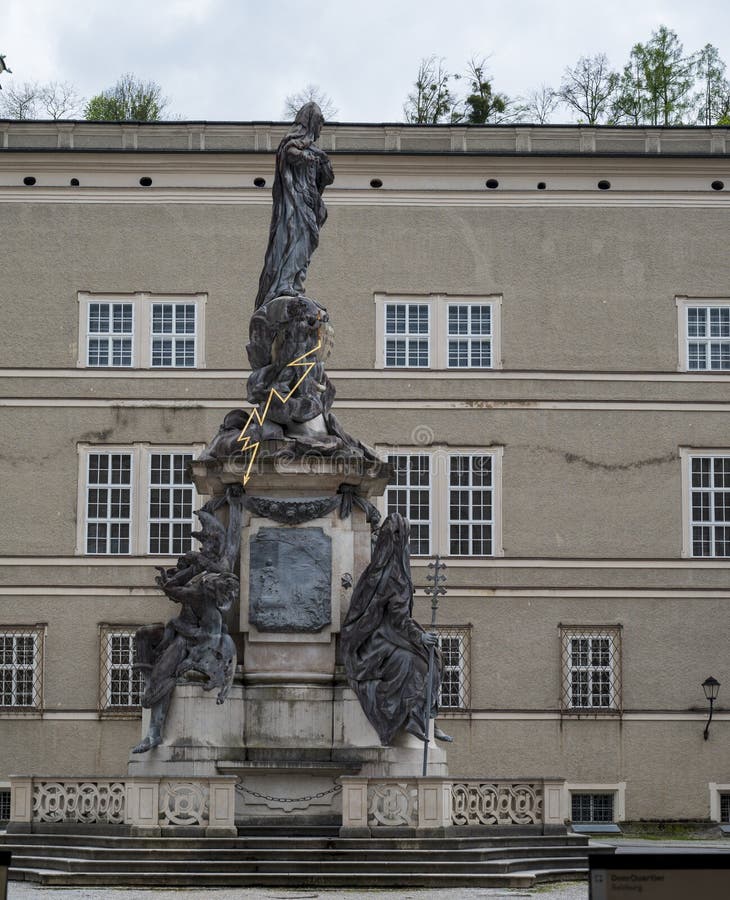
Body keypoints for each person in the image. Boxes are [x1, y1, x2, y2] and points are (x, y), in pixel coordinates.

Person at [341, 513, 452, 745]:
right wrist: (420, 636)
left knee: (431, 656)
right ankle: (415, 717)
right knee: (423, 661)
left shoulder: (376, 569)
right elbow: (399, 620)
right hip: (374, 645)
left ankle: (425, 717)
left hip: (371, 640)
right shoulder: (395, 575)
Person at [254, 102, 334, 309]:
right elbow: (290, 153)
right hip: (294, 204)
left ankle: (296, 285)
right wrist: (309, 156)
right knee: (294, 241)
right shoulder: (293, 143)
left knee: (308, 244)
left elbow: (326, 178)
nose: (319, 130)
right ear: (310, 123)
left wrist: (322, 162)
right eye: (318, 124)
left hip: (308, 204)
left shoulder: (315, 151)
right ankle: (284, 284)